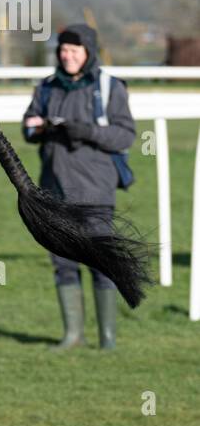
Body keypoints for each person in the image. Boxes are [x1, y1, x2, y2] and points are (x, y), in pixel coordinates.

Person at [22, 24, 136, 350]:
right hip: (54, 191)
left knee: (101, 263)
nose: (67, 55)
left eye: (74, 50)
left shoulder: (108, 87)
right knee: (63, 264)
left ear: (88, 52)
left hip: (96, 190)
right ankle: (72, 335)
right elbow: (28, 127)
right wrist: (37, 128)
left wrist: (82, 131)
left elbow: (124, 135)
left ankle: (108, 339)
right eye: (63, 50)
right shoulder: (46, 87)